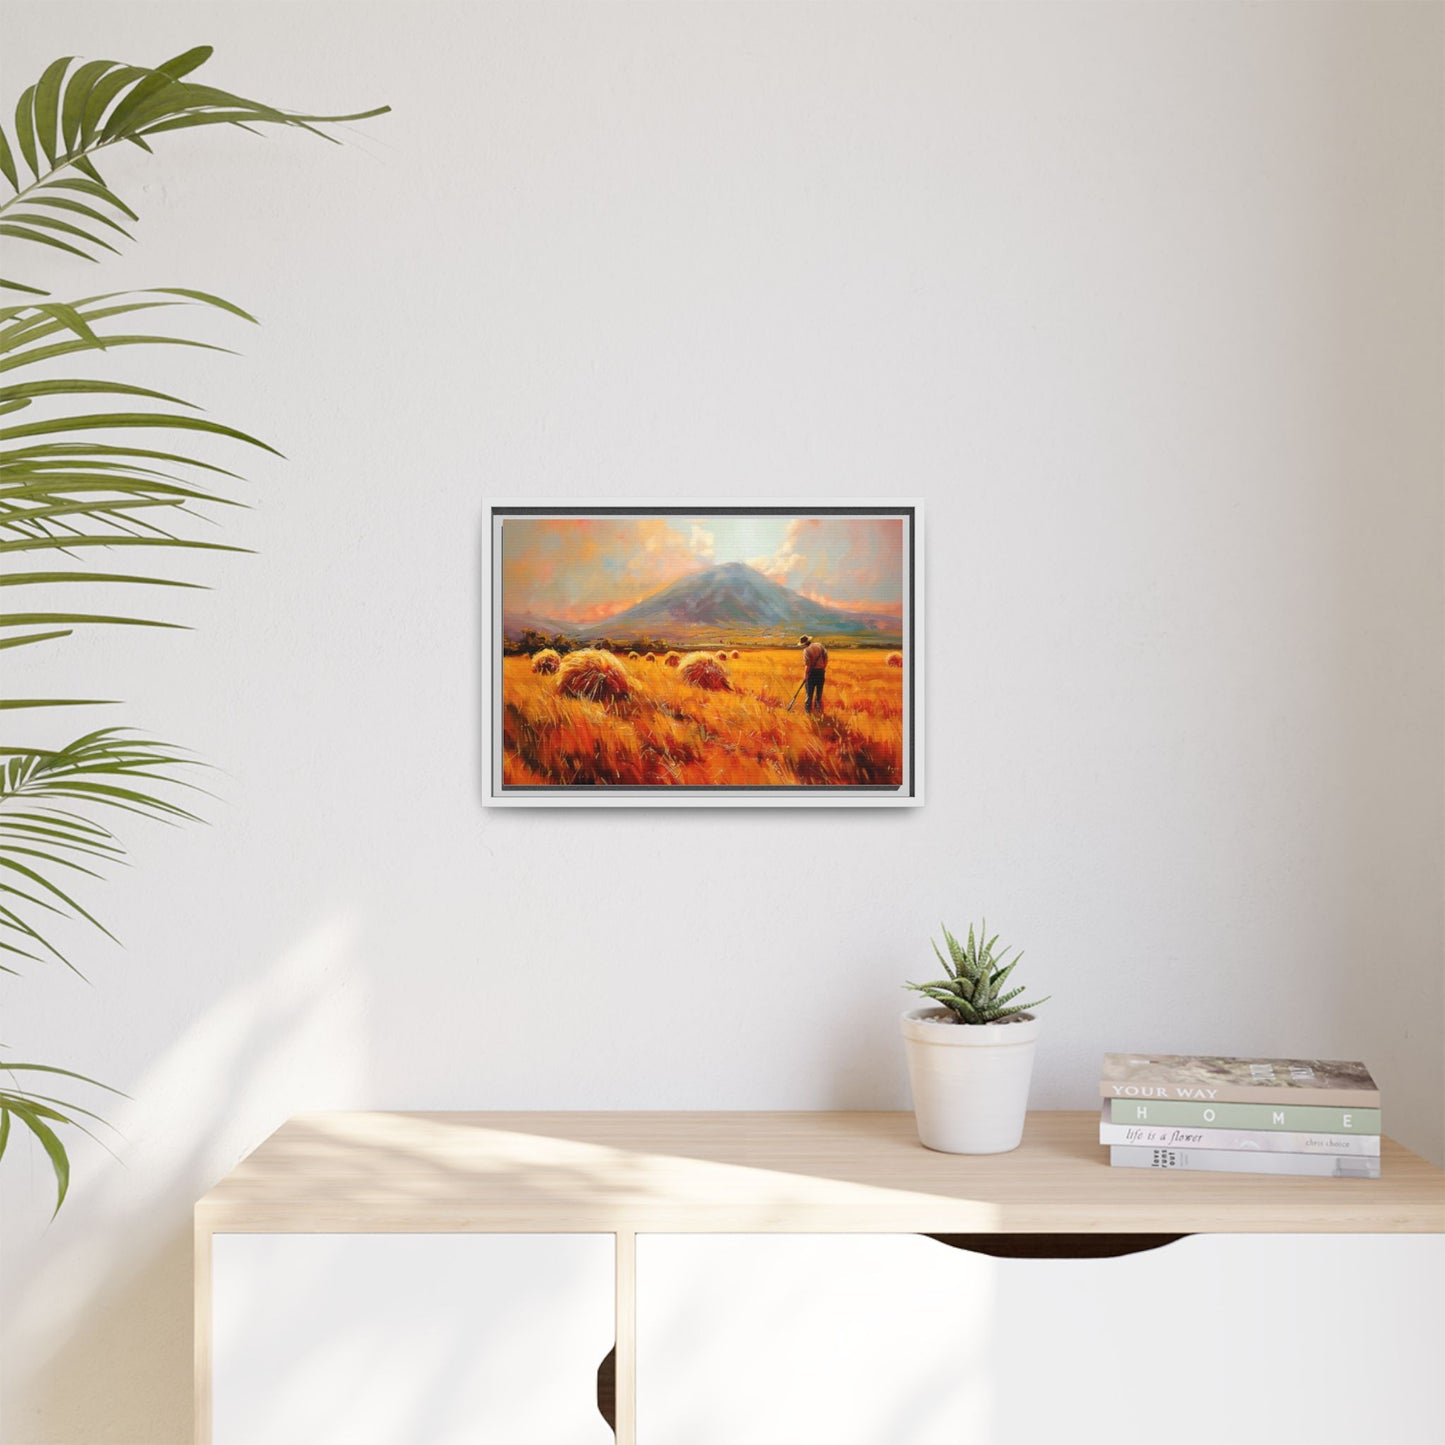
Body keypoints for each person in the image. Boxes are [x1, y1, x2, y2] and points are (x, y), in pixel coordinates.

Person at [799, 633, 828, 714]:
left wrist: (805, 676)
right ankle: (818, 711)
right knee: (819, 695)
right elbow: (826, 658)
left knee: (809, 695)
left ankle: (808, 713)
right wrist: (822, 668)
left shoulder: (806, 651)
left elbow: (807, 665)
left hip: (812, 674)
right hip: (821, 673)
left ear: (804, 644)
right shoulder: (819, 646)